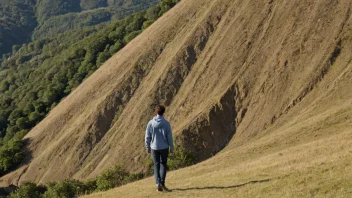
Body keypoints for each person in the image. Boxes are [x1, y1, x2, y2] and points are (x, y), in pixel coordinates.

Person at [145, 104, 174, 192]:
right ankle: (162, 182)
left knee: (156, 165)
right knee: (163, 164)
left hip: (154, 147)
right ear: (163, 112)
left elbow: (147, 136)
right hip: (164, 147)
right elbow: (169, 137)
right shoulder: (166, 123)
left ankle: (158, 184)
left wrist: (147, 146)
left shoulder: (150, 123)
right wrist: (171, 147)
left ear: (156, 112)